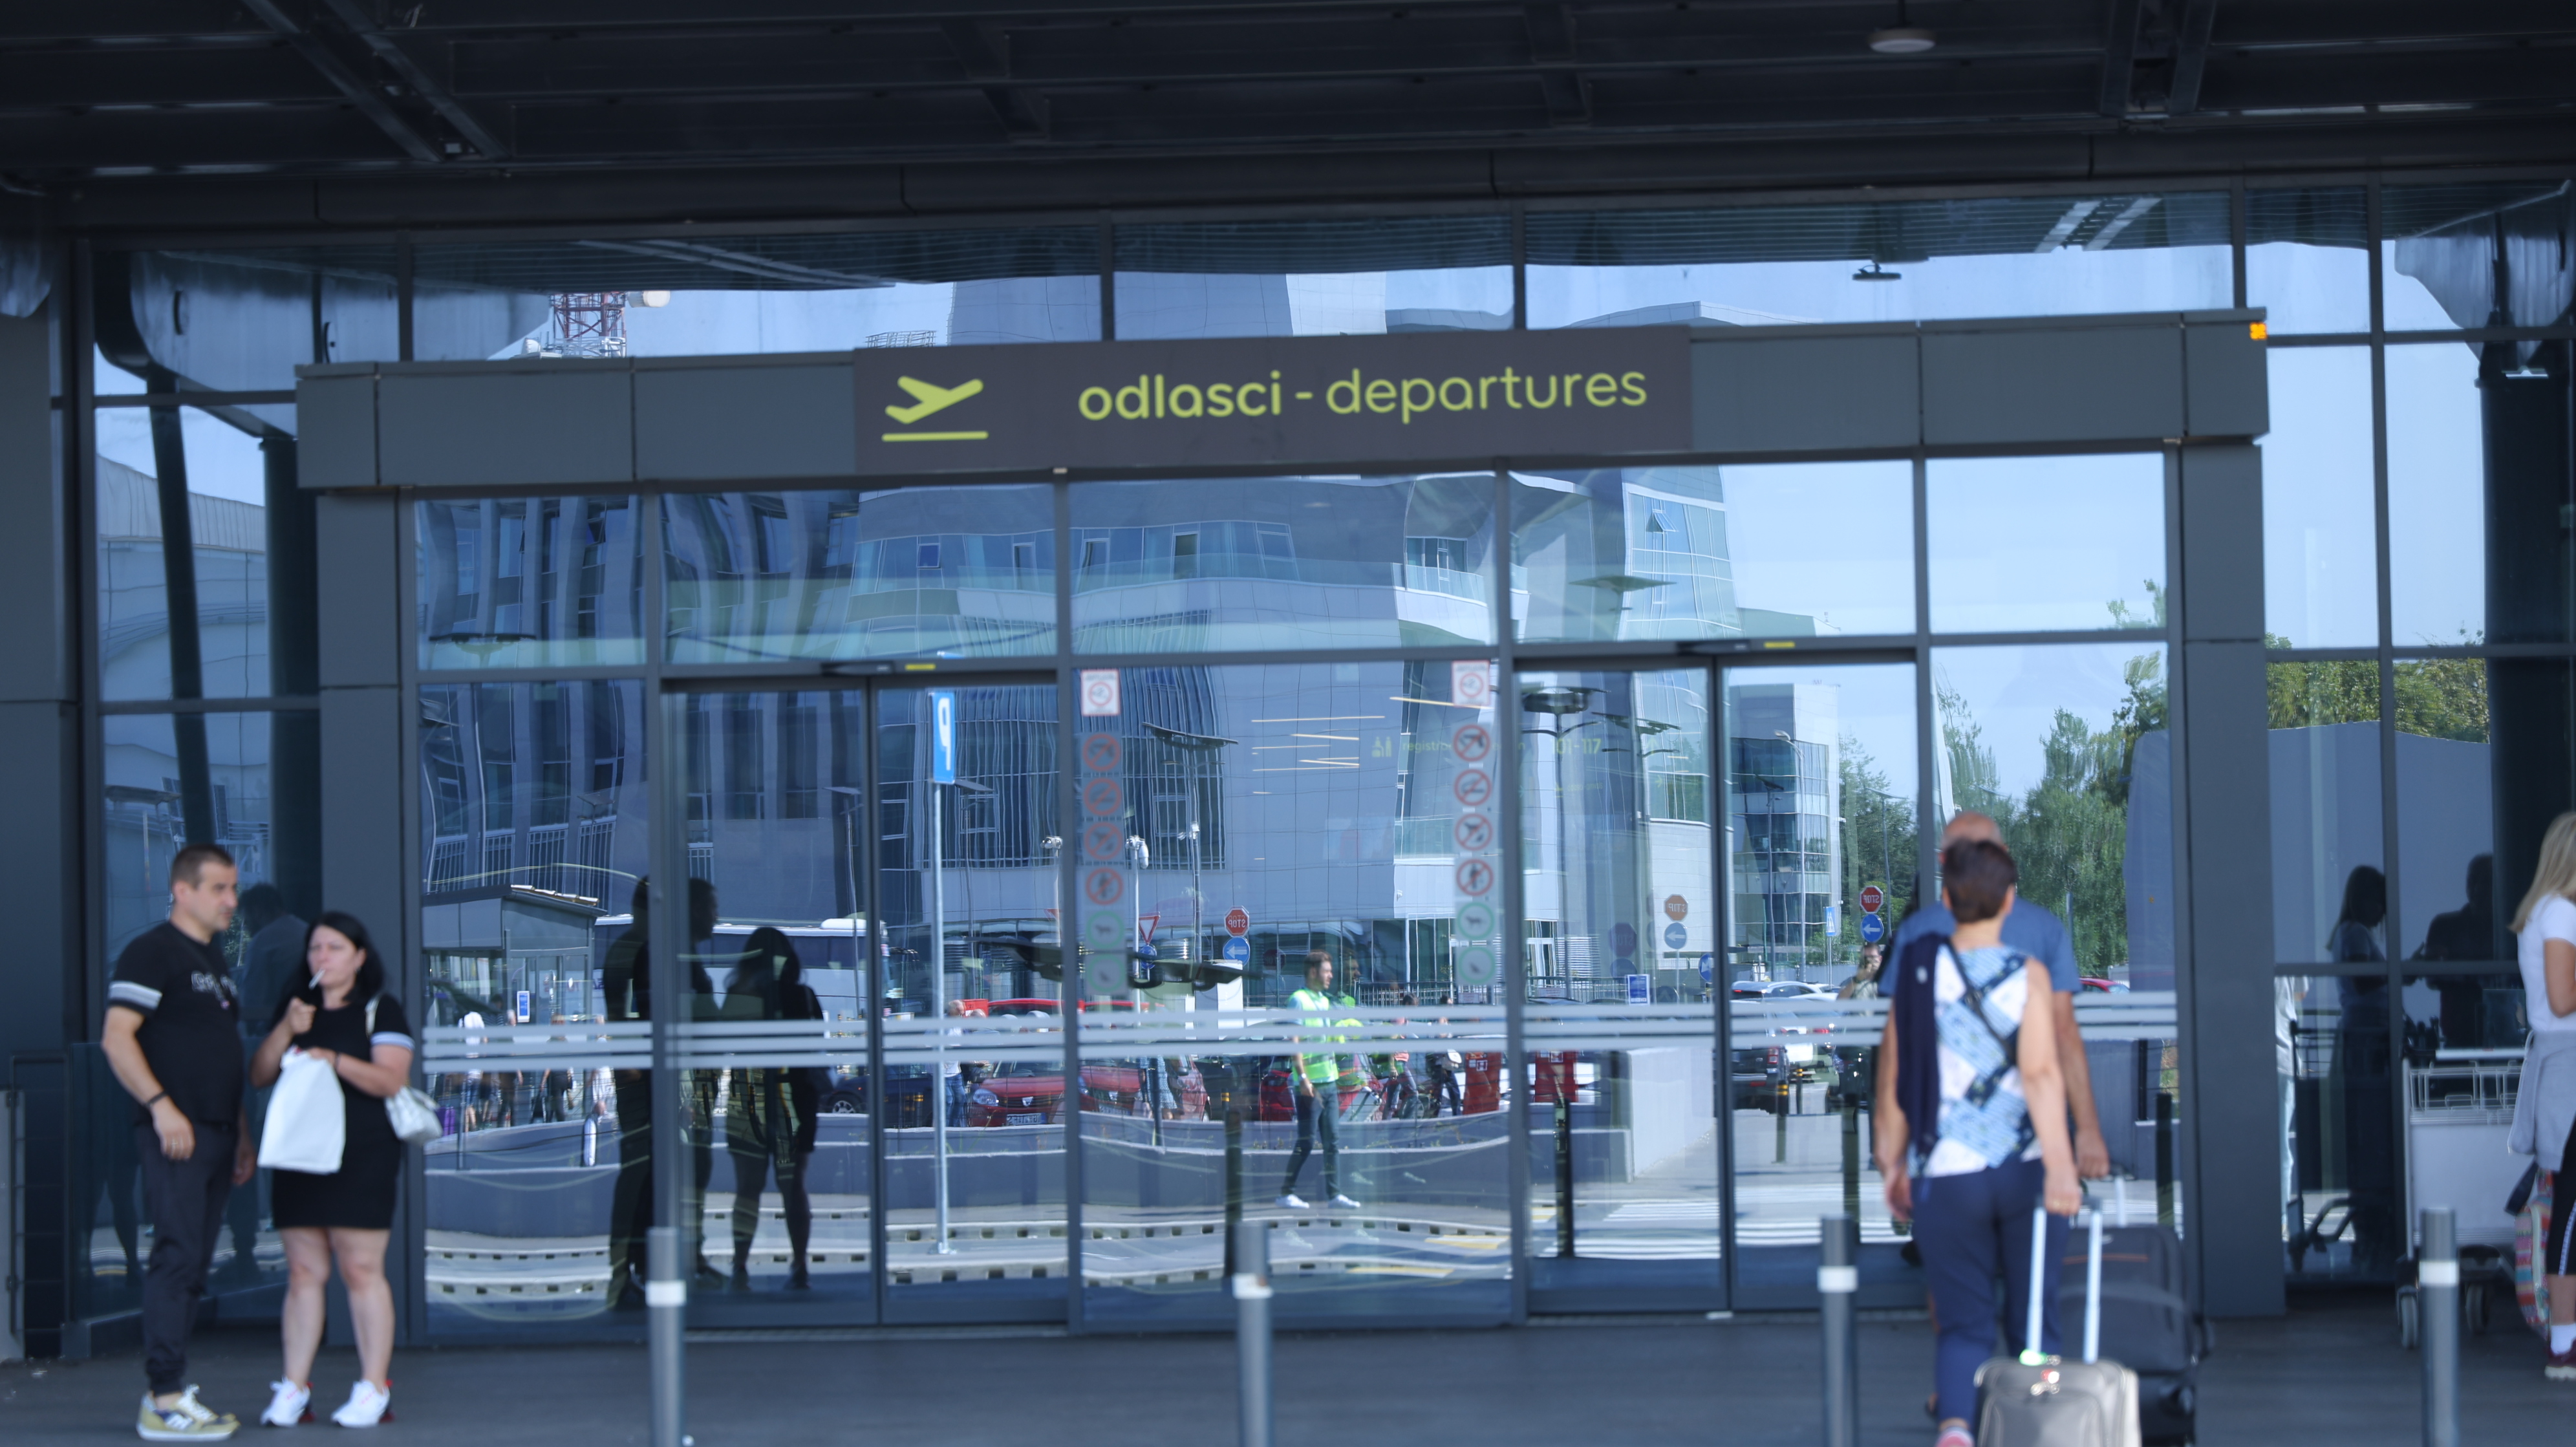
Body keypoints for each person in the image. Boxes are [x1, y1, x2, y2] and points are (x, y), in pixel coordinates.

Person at [1874, 838, 2083, 1447]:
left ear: (1946, 901)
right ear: (2010, 901)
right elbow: (2040, 1074)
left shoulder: (1918, 975)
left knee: (1963, 1324)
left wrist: (1893, 1162)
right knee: (2034, 1319)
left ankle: (1957, 1429)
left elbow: (1895, 1075)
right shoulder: (2029, 974)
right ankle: (2036, 1427)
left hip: (1947, 1170)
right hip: (2024, 1170)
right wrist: (2062, 1164)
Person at [100, 841, 254, 1441]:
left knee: (193, 1263)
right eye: (219, 889)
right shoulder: (151, 951)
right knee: (176, 1258)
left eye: (233, 889)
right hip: (176, 1136)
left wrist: (241, 1134)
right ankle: (163, 1401)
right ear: (182, 890)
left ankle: (170, 1392)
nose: (231, 901)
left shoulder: (214, 960)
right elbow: (117, 1038)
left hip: (216, 1134)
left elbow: (219, 1053)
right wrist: (162, 1107)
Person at [246, 912, 413, 1429]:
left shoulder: (380, 1009)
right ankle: (294, 1388)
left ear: (359, 957)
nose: (322, 957)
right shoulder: (297, 1009)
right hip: (300, 1153)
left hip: (362, 1154)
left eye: (335, 948)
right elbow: (259, 1074)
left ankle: (374, 1387)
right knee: (303, 1272)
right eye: (315, 948)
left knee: (361, 1269)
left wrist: (331, 1058)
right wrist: (287, 1029)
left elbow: (390, 1081)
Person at [1891, 813, 2110, 1181]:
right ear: (2004, 859)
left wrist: (1892, 1150)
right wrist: (2085, 1131)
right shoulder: (2043, 929)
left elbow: (1896, 1051)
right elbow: (2064, 1035)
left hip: (1944, 1151)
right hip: (2027, 1142)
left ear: (1944, 864)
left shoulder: (1917, 933)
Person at [601, 875, 724, 1307]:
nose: (716, 917)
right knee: (640, 1174)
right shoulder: (637, 950)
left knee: (685, 1170)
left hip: (681, 1083)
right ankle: (626, 1272)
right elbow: (625, 1021)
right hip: (652, 1084)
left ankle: (673, 1261)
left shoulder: (676, 952)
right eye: (711, 908)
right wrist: (637, 1074)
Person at [2506, 813, 2576, 1380]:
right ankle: (2565, 1343)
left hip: (2561, 1067)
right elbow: (2562, 998)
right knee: (2572, 1210)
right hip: (2569, 1065)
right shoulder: (2561, 912)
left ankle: (2565, 1340)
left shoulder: (2547, 910)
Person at [722, 928, 817, 1291]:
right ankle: (800, 1265)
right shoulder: (803, 996)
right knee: (794, 1186)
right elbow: (813, 1052)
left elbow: (724, 1040)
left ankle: (740, 1266)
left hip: (749, 1096)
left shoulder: (740, 994)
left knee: (747, 1188)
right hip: (794, 1097)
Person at [2328, 864, 2397, 1270]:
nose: (2382, 911)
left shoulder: (2352, 933)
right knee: (2371, 1127)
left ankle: (2371, 1220)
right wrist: (2397, 972)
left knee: (2368, 1128)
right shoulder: (2355, 933)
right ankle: (2373, 1222)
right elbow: (2361, 980)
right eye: (2378, 902)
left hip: (2365, 1034)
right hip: (2367, 1037)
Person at [1278, 950, 1358, 1210]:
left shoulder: (1324, 1001)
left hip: (1329, 1082)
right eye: (1327, 971)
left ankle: (1335, 1195)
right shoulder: (1298, 1001)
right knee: (1306, 1141)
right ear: (1313, 972)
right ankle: (1286, 1193)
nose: (1331, 976)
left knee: (1332, 1141)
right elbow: (1294, 1042)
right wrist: (1303, 1078)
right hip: (1310, 1086)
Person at [2416, 854, 2498, 1048]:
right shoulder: (2445, 926)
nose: (2476, 889)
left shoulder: (2510, 929)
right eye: (2472, 881)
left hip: (2502, 1034)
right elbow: (2432, 977)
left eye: (2485, 882)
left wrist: (2457, 967)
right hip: (2459, 1037)